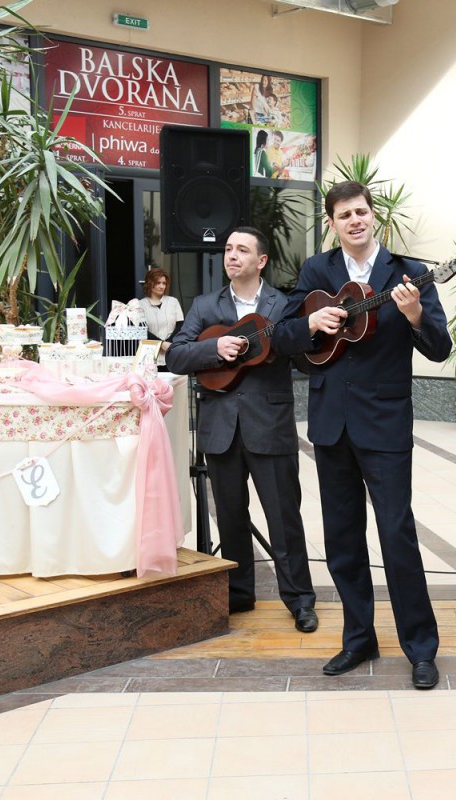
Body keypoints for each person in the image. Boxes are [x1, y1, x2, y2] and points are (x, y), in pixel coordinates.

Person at [272, 180, 451, 690]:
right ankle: (358, 638)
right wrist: (312, 322)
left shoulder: (408, 272)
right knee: (342, 539)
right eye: (344, 214)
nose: (355, 220)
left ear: (375, 216)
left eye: (361, 212)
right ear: (332, 224)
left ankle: (421, 647)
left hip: (385, 421)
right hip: (331, 422)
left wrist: (414, 314)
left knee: (397, 535)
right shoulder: (317, 270)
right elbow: (283, 338)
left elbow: (440, 347)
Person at [166, 227, 318, 633]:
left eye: (242, 250)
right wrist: (213, 348)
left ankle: (300, 599)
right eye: (229, 249)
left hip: (270, 425)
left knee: (284, 518)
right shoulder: (205, 305)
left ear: (261, 261)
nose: (232, 255)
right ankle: (238, 594)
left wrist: (312, 333)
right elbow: (177, 355)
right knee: (231, 518)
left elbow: (306, 362)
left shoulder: (284, 305)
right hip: (220, 428)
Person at [135, 267, 184, 370]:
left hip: (172, 350)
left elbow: (180, 326)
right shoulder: (140, 305)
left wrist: (169, 343)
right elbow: (142, 331)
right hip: (150, 355)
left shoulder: (173, 302)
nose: (162, 286)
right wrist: (161, 344)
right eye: (158, 283)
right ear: (150, 283)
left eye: (164, 283)